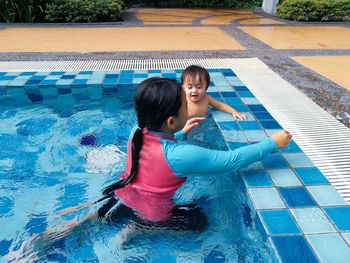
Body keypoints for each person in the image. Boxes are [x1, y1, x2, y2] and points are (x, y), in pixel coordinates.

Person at [7, 77, 291, 260]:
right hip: (152, 212)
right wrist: (271, 143)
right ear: (170, 121)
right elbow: (232, 160)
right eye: (184, 111)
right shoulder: (182, 155)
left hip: (119, 194)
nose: (189, 112)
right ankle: (140, 230)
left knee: (96, 217)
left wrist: (179, 133)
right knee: (199, 221)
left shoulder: (137, 131)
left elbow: (157, 149)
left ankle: (43, 240)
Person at [182, 65, 247, 120]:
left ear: (206, 88)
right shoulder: (182, 100)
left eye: (199, 87)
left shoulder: (207, 99)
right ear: (184, 88)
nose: (194, 90)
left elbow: (220, 105)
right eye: (190, 87)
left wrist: (234, 112)